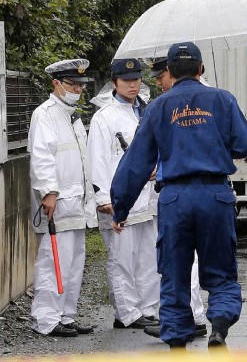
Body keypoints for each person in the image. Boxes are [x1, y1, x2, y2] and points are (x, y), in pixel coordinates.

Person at [111, 42, 247, 349]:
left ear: (170, 73)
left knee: (174, 274)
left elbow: (136, 162)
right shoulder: (222, 99)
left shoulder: (158, 108)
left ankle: (177, 343)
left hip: (175, 199)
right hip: (216, 196)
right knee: (221, 272)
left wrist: (121, 206)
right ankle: (218, 327)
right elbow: (244, 144)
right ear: (201, 69)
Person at [87, 58, 159, 330]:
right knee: (122, 259)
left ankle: (148, 309)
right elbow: (97, 160)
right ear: (115, 82)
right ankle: (126, 313)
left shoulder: (146, 111)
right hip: (120, 200)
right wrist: (104, 198)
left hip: (148, 199)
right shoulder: (104, 117)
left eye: (137, 79)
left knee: (149, 257)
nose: (133, 84)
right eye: (127, 80)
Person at [28, 58, 97, 337]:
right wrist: (49, 193)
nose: (78, 89)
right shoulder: (44, 114)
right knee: (53, 262)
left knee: (73, 262)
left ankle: (66, 315)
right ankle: (46, 319)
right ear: (55, 83)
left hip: (76, 204)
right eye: (72, 84)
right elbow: (42, 157)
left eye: (81, 85)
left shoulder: (72, 115)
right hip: (57, 204)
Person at [140, 58, 208, 341]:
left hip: (180, 195)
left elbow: (179, 148)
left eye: (161, 76)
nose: (158, 83)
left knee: (179, 261)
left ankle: (186, 319)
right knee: (192, 261)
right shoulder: (217, 99)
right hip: (209, 195)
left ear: (173, 73)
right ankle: (196, 317)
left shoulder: (168, 106)